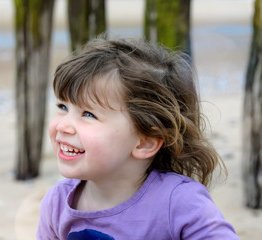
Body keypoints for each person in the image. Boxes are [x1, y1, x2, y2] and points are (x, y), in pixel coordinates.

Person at [37, 37, 240, 239]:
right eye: (63, 107)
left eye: (88, 114)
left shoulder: (179, 202)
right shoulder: (56, 204)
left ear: (145, 142)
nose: (63, 126)